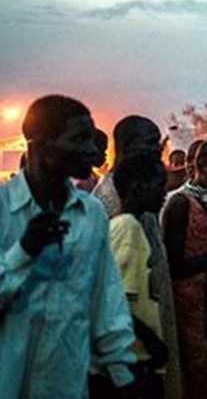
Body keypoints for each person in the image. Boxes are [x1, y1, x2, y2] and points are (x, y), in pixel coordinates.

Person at [0, 95, 138, 398]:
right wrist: (23, 252)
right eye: (79, 139)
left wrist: (120, 371)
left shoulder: (91, 214)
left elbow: (105, 298)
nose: (92, 150)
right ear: (41, 144)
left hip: (66, 385)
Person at [162, 140, 207, 399]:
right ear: (200, 166)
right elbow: (173, 265)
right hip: (191, 308)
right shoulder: (181, 204)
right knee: (199, 375)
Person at [109, 152, 171, 399]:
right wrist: (152, 341)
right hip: (135, 357)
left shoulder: (124, 225)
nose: (164, 193)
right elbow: (117, 299)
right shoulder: (128, 229)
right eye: (159, 185)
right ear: (137, 186)